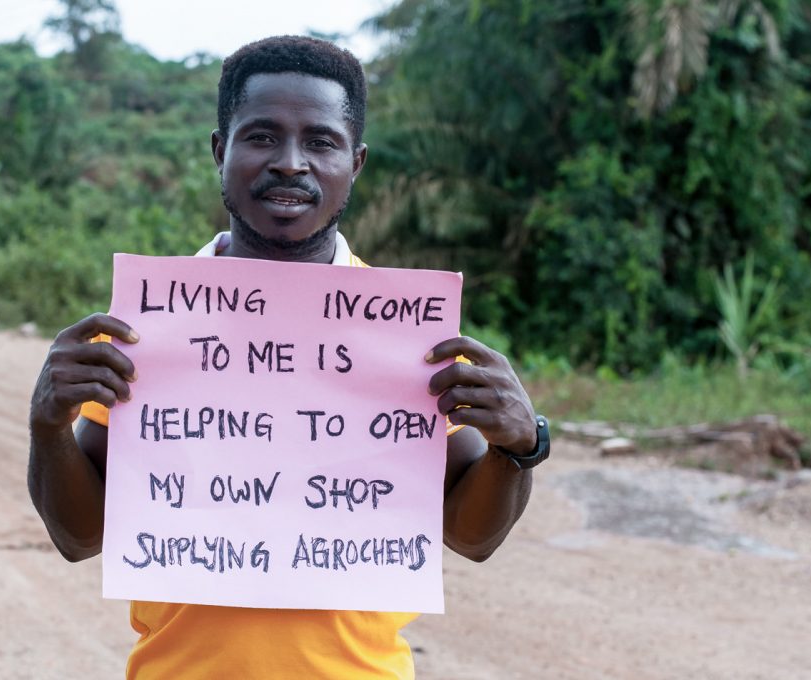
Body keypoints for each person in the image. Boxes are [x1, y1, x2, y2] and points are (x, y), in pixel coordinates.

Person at [27, 35, 548, 679]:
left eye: (321, 142)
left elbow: (471, 537)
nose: (291, 163)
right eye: (262, 136)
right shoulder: (149, 326)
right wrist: (48, 427)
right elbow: (79, 538)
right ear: (220, 150)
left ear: (356, 162)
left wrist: (518, 447)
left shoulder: (404, 332)